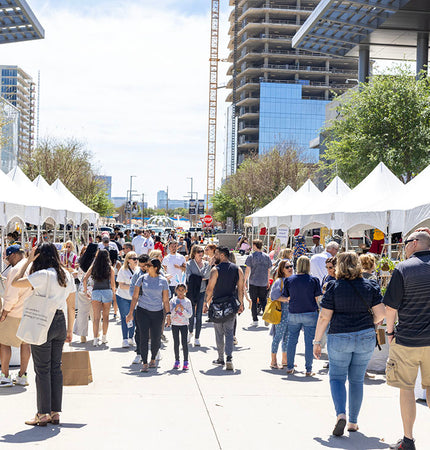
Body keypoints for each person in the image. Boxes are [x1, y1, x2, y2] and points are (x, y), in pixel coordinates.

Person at [313, 251, 385, 437]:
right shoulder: (371, 285)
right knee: (357, 380)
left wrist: (317, 341)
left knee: (337, 377)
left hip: (340, 336)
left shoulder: (333, 287)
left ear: (339, 266)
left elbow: (324, 317)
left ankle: (340, 414)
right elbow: (381, 313)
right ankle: (353, 422)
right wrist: (373, 322)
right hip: (365, 336)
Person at [11, 244, 75, 426]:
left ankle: (42, 413)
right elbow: (71, 305)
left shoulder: (42, 275)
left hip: (43, 322)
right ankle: (55, 412)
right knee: (56, 368)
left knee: (42, 369)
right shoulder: (65, 274)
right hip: (60, 320)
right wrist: (70, 329)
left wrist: (27, 261)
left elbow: (16, 282)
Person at [383, 231, 430, 450]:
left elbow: (391, 308)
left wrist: (390, 333)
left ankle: (408, 440)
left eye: (405, 243)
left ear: (415, 244)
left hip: (407, 339)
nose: (404, 247)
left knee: (406, 388)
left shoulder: (404, 268)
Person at [126, 258, 171, 372]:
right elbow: (135, 297)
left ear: (155, 268)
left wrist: (169, 314)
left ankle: (153, 359)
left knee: (156, 338)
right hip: (142, 311)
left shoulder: (163, 281)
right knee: (143, 337)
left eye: (149, 265)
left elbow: (165, 300)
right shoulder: (141, 279)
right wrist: (130, 313)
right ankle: (145, 363)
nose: (146, 267)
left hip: (157, 312)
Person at [203, 246, 244, 371]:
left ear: (222, 255)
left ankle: (221, 358)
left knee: (219, 333)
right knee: (230, 332)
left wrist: (205, 303)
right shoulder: (238, 269)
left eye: (216, 254)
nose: (214, 256)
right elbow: (241, 289)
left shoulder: (215, 270)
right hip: (231, 305)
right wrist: (241, 304)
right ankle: (229, 358)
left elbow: (210, 289)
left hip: (217, 305)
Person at [281, 255, 322, 376]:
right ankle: (308, 369)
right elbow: (316, 297)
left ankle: (290, 366)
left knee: (292, 340)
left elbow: (287, 296)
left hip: (294, 311)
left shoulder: (289, 280)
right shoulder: (314, 280)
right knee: (309, 342)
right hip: (310, 312)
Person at [0, 245, 32, 387]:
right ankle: (22, 375)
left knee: (4, 343)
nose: (8, 261)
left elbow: (12, 295)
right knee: (25, 344)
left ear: (14, 255)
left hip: (14, 312)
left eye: (8, 258)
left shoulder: (15, 270)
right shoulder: (32, 267)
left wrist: (4, 312)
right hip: (29, 312)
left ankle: (5, 376)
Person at [83, 249, 116, 347]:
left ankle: (95, 339)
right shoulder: (110, 268)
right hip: (107, 291)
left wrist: (86, 291)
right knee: (105, 317)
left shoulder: (94, 267)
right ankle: (104, 337)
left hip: (96, 292)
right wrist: (113, 292)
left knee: (96, 318)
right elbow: (113, 283)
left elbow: (85, 278)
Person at [269, 259, 293, 369]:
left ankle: (285, 360)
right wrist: (286, 299)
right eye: (287, 267)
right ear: (282, 270)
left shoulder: (292, 280)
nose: (290, 268)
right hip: (281, 312)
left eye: (291, 266)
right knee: (278, 336)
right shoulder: (279, 281)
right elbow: (273, 296)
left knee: (287, 337)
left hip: (290, 313)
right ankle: (273, 361)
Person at [186, 245, 211, 347]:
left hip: (202, 291)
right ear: (194, 253)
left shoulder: (206, 264)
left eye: (202, 251)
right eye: (199, 251)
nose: (201, 253)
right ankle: (190, 331)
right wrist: (200, 277)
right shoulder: (189, 263)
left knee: (199, 315)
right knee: (191, 315)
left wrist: (209, 266)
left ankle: (197, 337)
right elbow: (189, 277)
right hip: (191, 291)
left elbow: (207, 276)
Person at [73, 243, 98, 343]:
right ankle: (97, 331)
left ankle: (82, 335)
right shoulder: (96, 262)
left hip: (82, 289)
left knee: (82, 312)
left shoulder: (82, 261)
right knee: (95, 312)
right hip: (94, 289)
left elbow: (79, 276)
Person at [244, 239, 273, 327]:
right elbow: (269, 270)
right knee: (263, 300)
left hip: (253, 281)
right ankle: (265, 317)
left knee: (254, 301)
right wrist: (268, 281)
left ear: (255, 246)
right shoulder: (267, 257)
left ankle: (255, 320)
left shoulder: (251, 257)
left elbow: (247, 270)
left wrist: (244, 281)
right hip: (263, 281)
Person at [128, 254, 150, 365]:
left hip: (153, 306)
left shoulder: (156, 272)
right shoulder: (137, 274)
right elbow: (132, 289)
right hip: (140, 306)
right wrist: (138, 296)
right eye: (141, 266)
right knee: (139, 331)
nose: (143, 268)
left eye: (144, 266)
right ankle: (139, 353)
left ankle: (155, 351)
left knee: (152, 331)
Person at [116, 251, 138, 348]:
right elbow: (121, 285)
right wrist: (133, 287)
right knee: (125, 317)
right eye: (134, 259)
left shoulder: (138, 270)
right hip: (123, 297)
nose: (136, 260)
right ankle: (124, 339)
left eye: (136, 258)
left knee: (133, 318)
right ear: (128, 260)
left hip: (134, 298)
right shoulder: (123, 270)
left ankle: (131, 337)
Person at [170, 284, 192, 370]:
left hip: (184, 324)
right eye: (179, 290)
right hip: (175, 324)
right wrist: (175, 309)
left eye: (182, 290)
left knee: (184, 343)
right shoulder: (172, 301)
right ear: (176, 291)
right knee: (176, 343)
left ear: (185, 291)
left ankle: (186, 361)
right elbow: (170, 314)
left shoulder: (187, 302)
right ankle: (177, 360)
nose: (180, 292)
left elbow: (189, 315)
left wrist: (183, 310)